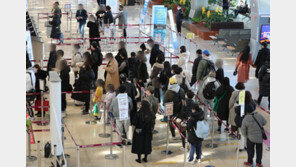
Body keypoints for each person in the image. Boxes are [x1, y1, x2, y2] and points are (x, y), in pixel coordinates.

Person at [241, 93, 267, 167]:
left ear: (246, 111)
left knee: (250, 150)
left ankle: (250, 162)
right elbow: (265, 122)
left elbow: (243, 130)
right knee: (259, 150)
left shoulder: (245, 119)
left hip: (250, 138)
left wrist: (247, 136)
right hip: (259, 138)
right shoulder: (259, 115)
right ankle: (259, 163)